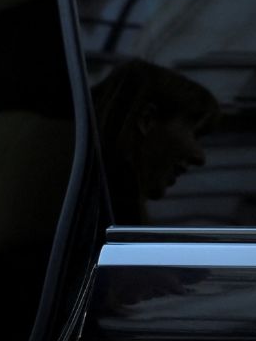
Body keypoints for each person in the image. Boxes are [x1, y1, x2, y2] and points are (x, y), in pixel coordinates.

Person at [91, 58, 220, 225]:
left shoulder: (92, 208)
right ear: (147, 120)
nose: (200, 157)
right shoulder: (105, 219)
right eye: (195, 134)